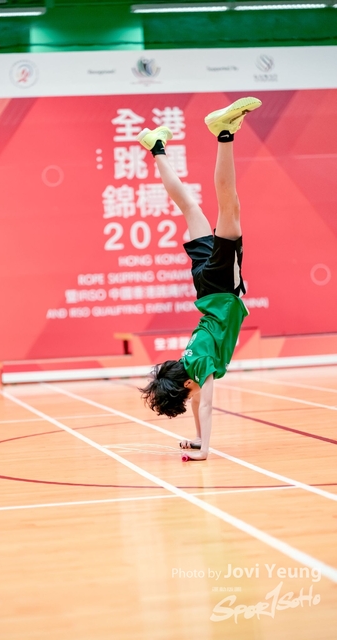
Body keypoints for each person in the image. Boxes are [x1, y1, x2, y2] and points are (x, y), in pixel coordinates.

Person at [138, 97, 262, 461]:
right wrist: (194, 438)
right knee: (190, 207)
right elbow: (196, 402)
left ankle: (223, 133)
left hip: (222, 286)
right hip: (204, 285)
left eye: (188, 392)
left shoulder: (202, 369)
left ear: (188, 383)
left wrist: (203, 450)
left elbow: (205, 405)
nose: (193, 395)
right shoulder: (189, 362)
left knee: (229, 207)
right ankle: (156, 147)